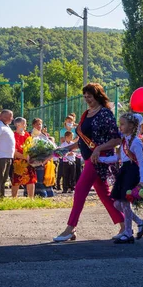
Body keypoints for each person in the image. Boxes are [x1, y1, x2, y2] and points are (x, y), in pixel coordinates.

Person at [53, 83, 125, 242]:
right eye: (85, 97)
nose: (87, 100)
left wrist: (99, 149)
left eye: (90, 97)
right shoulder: (86, 114)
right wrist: (64, 149)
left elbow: (116, 139)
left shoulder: (106, 114)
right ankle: (126, 225)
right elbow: (82, 141)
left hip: (100, 159)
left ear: (97, 95)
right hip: (89, 158)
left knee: (79, 189)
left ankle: (70, 228)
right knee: (105, 195)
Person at [99, 113, 143, 244]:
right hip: (124, 171)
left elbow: (141, 162)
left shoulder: (136, 142)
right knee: (117, 203)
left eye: (122, 124)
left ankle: (128, 233)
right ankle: (140, 222)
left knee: (125, 202)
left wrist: (142, 181)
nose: (119, 127)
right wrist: (100, 159)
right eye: (119, 124)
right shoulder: (124, 141)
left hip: (132, 172)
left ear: (132, 126)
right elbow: (118, 158)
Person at [11, 117, 36, 198]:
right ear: (18, 125)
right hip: (18, 162)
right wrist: (25, 157)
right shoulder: (13, 136)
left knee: (31, 180)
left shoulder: (27, 135)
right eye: (24, 123)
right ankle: (14, 198)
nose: (26, 125)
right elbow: (14, 152)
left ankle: (31, 198)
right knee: (17, 180)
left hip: (29, 161)